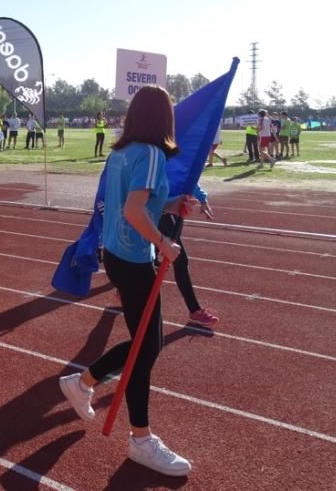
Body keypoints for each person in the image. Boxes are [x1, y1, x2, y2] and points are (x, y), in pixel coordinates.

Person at [58, 85, 191, 477]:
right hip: (134, 258)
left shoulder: (121, 152)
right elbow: (134, 211)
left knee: (145, 345)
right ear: (163, 118)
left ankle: (84, 383)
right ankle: (139, 438)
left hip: (117, 254)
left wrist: (171, 205)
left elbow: (136, 203)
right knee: (146, 349)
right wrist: (165, 242)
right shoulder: (150, 154)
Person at [158, 185, 218, 327]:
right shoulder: (160, 163)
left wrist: (202, 199)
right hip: (158, 211)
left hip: (175, 211)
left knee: (165, 260)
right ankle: (194, 310)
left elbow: (190, 176)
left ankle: (124, 291)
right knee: (178, 260)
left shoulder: (179, 163)